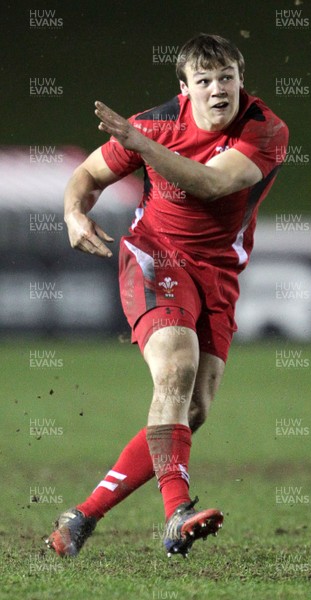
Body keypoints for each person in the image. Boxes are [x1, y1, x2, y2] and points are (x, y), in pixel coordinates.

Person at [46, 33, 288, 559]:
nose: (218, 89)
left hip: (219, 273)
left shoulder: (265, 129)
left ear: (241, 80)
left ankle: (82, 516)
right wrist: (73, 212)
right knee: (176, 367)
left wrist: (142, 147)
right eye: (204, 81)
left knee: (193, 409)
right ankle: (177, 513)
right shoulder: (156, 122)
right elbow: (87, 174)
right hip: (157, 255)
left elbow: (210, 184)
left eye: (226, 77)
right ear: (185, 89)